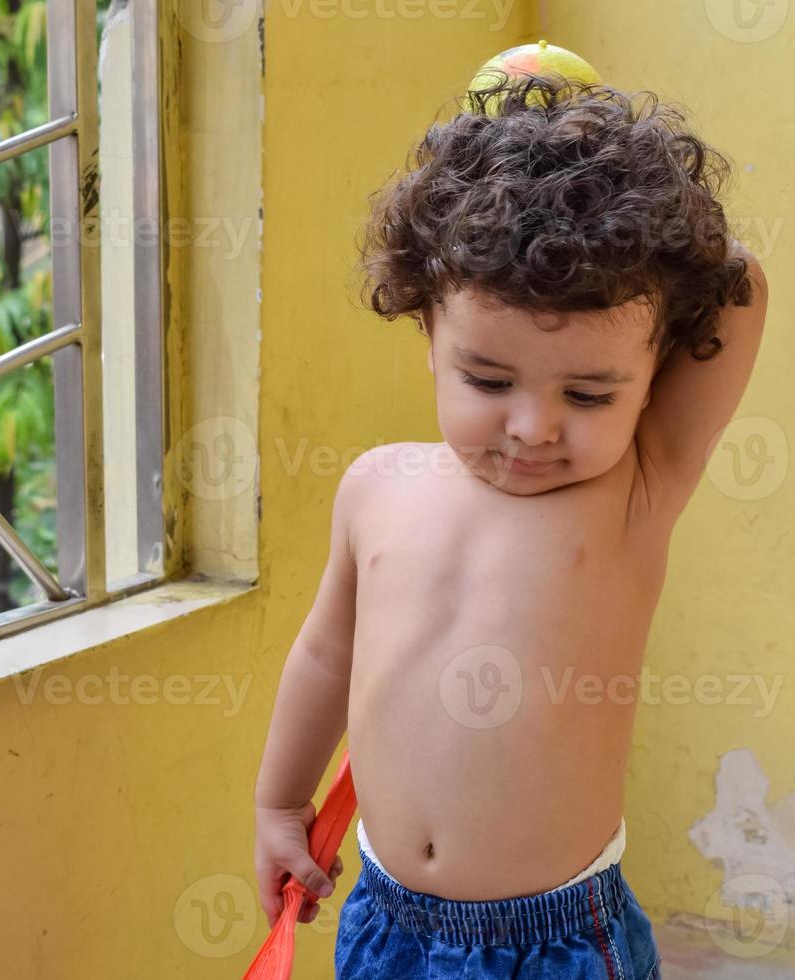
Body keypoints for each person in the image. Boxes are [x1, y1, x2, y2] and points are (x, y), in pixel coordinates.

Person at [253, 71, 769, 979]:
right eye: (490, 381)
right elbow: (326, 658)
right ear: (425, 325)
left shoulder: (635, 494)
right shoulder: (376, 487)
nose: (533, 426)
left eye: (588, 392)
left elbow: (739, 287)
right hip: (382, 918)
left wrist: (582, 156)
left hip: (558, 942)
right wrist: (278, 805)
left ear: (653, 379)